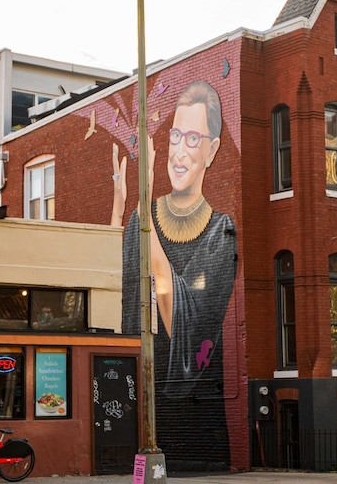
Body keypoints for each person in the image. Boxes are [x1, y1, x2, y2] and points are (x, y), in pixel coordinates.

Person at [111, 80, 238, 468]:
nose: (180, 152)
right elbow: (112, 286)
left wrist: (141, 210)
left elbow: (174, 308)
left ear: (212, 150)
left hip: (196, 431)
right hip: (137, 411)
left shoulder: (222, 232)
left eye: (194, 139)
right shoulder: (139, 219)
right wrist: (120, 208)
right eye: (176, 136)